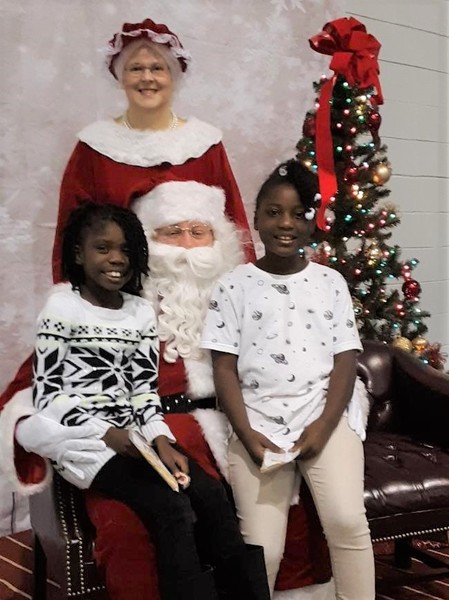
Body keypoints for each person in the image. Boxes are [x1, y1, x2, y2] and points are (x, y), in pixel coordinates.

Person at [30, 199, 270, 600]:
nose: (116, 259)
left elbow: (143, 392)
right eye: (102, 248)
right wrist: (108, 434)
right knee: (170, 508)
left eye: (125, 249)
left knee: (209, 494)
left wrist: (161, 440)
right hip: (85, 443)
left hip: (137, 441)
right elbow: (48, 396)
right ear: (78, 252)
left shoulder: (140, 312)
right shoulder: (62, 308)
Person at [201, 159, 375, 599]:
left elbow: (345, 360)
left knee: (347, 520)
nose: (286, 223)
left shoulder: (330, 282)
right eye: (274, 212)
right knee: (262, 550)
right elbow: (223, 368)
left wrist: (321, 426)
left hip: (323, 416)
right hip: (257, 425)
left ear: (313, 222)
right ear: (256, 219)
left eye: (299, 214)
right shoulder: (232, 286)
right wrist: (248, 433)